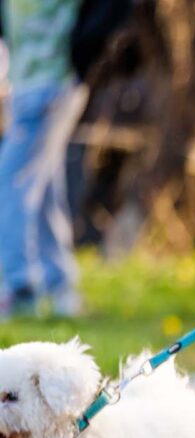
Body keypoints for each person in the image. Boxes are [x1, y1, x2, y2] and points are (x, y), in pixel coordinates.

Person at [0, 0, 85, 319]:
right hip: (24, 83)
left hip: (51, 80)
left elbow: (112, 10)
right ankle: (59, 286)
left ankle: (20, 289)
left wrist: (81, 57)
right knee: (42, 182)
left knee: (9, 182)